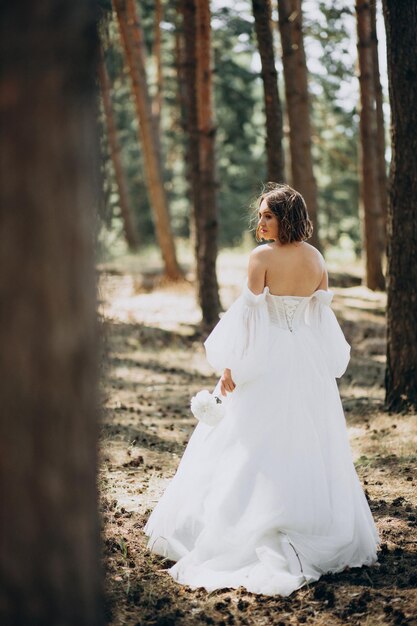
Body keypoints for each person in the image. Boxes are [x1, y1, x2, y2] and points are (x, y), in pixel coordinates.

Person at [143, 183, 380, 596]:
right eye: (261, 215)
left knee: (252, 440)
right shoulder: (316, 258)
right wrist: (324, 363)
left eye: (268, 215)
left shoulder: (262, 258)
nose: (261, 222)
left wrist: (231, 365)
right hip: (305, 359)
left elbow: (248, 320)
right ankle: (303, 520)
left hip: (270, 356)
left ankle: (255, 525)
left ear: (285, 217)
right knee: (302, 439)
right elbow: (320, 321)